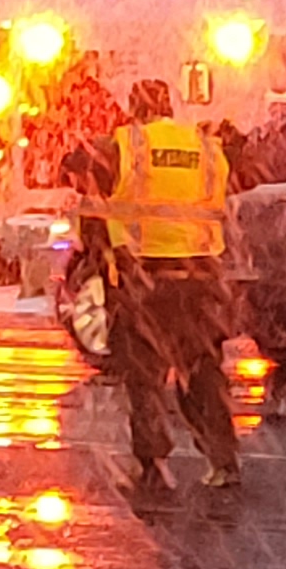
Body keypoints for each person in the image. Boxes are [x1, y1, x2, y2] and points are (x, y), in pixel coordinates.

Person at [94, 78, 244, 493]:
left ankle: (153, 462)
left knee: (144, 375)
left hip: (149, 274)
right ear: (169, 106)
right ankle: (222, 459)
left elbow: (97, 185)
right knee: (203, 371)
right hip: (201, 274)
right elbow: (228, 189)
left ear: (135, 108)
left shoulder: (129, 143)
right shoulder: (204, 146)